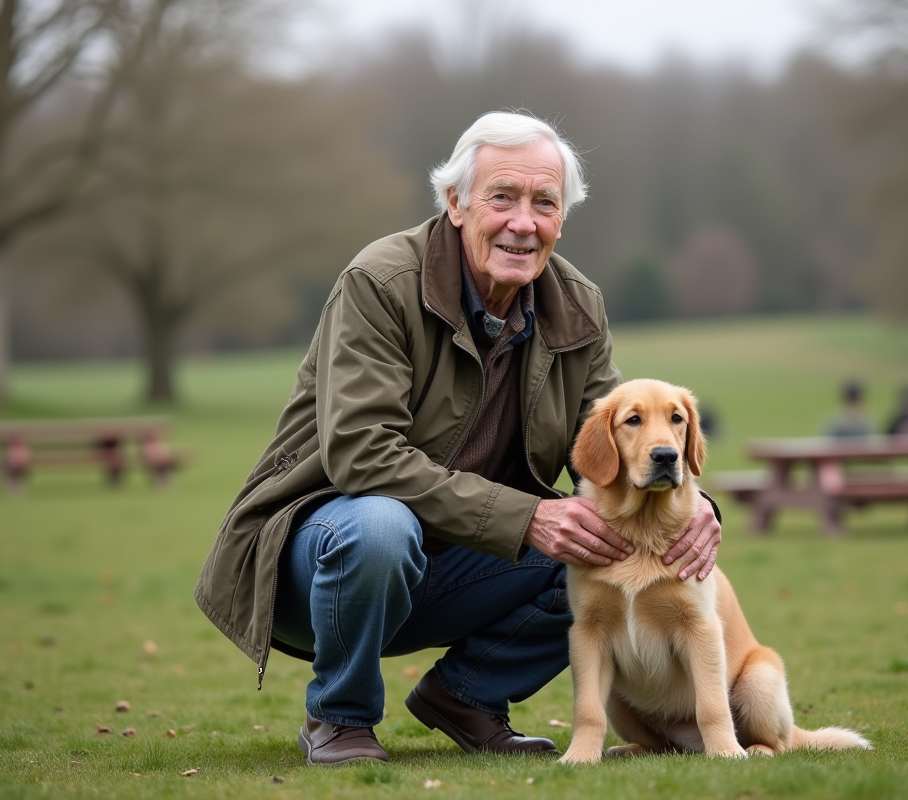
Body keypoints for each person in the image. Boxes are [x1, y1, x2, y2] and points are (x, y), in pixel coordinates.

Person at [194, 111, 723, 766]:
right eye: (502, 197)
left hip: (466, 566)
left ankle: (466, 697)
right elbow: (362, 454)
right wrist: (528, 518)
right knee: (382, 527)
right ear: (455, 202)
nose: (523, 222)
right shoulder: (380, 283)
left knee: (604, 541)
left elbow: (615, 445)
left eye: (544, 203)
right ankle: (340, 718)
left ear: (562, 219)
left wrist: (698, 506)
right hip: (322, 563)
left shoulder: (578, 304)